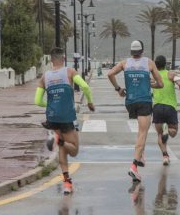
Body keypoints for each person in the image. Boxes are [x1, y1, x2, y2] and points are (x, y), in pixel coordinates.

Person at [34, 47, 95, 195]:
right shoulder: (70, 72)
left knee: (62, 149)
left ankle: (67, 184)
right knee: (73, 149)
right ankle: (57, 139)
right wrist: (89, 102)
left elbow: (37, 101)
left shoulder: (45, 77)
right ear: (63, 59)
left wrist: (51, 104)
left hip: (52, 117)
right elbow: (85, 86)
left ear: (51, 60)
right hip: (67, 116)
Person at [108, 40, 163, 182]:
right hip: (144, 101)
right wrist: (149, 83)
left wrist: (118, 89)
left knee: (140, 131)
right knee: (143, 133)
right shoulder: (149, 63)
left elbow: (110, 74)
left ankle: (141, 156)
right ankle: (134, 167)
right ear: (142, 50)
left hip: (130, 102)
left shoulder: (124, 63)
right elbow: (160, 84)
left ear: (131, 52)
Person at [152, 55, 180, 165]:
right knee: (173, 132)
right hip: (170, 107)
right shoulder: (171, 74)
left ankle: (165, 156)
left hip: (157, 107)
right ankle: (168, 130)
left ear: (155, 65)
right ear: (165, 64)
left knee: (159, 134)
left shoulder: (153, 76)